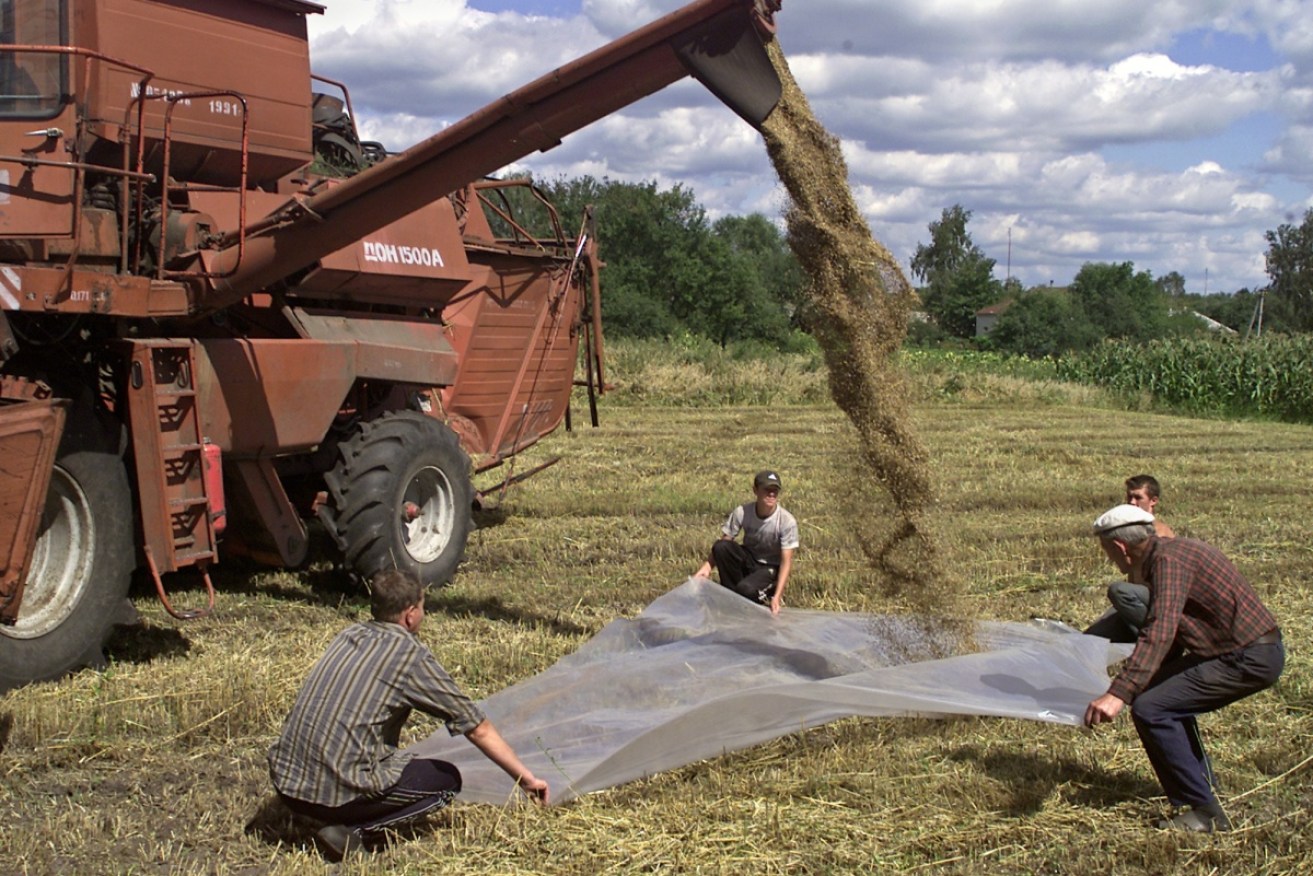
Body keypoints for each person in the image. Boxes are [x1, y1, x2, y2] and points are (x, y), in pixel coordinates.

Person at [268, 570, 548, 860]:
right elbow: (476, 727)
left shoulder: (348, 635)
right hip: (337, 792)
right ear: (411, 614)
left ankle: (319, 816)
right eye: (423, 607)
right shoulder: (409, 656)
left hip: (287, 783)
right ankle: (354, 831)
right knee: (446, 783)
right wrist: (526, 779)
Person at [1083, 504, 1284, 833]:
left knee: (1151, 708)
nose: (1110, 560)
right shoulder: (1175, 551)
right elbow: (1174, 632)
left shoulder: (1168, 563)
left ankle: (1206, 814)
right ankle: (1204, 786)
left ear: (1120, 547)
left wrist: (1118, 694)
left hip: (1247, 657)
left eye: (1107, 552)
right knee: (1157, 694)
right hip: (1241, 650)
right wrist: (1137, 677)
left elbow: (1160, 631)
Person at [693, 469, 799, 615]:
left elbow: (786, 561)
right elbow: (725, 541)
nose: (771, 494)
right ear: (755, 490)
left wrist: (777, 597)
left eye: (775, 490)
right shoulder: (742, 512)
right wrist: (707, 567)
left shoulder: (787, 521)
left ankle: (754, 592)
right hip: (750, 559)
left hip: (770, 568)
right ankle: (732, 596)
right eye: (767, 490)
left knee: (746, 590)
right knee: (721, 547)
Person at [1085, 475, 1176, 643]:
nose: (1132, 502)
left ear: (1153, 501)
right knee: (1088, 640)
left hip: (1156, 607)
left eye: (1138, 497)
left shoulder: (1159, 535)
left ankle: (1154, 643)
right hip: (1136, 602)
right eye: (1129, 497)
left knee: (1120, 593)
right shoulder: (1129, 531)